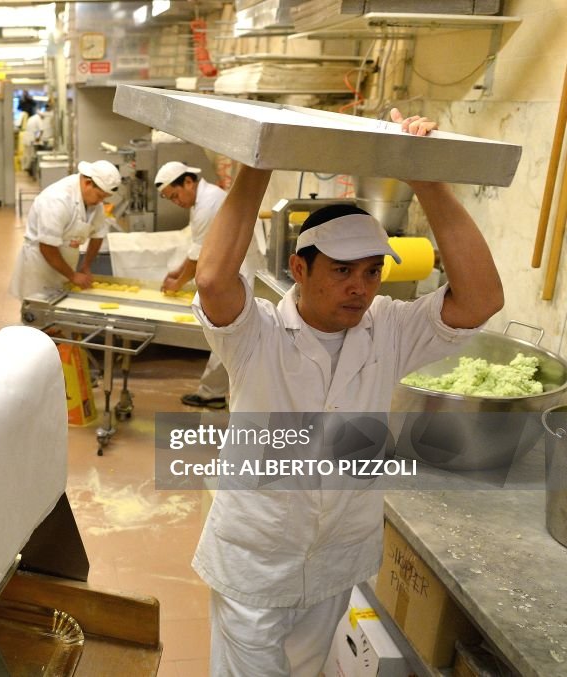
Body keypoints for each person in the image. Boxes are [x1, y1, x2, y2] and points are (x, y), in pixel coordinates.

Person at [191, 110, 503, 676]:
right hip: (258, 557)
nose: (359, 288)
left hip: (336, 554)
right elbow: (213, 280)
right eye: (341, 271)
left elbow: (481, 299)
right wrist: (260, 161)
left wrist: (427, 177)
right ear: (298, 269)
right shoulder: (256, 332)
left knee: (308, 670)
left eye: (371, 272)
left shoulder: (389, 327)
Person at [154, 161, 250, 410]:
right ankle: (215, 391)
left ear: (188, 181)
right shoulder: (202, 200)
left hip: (240, 273)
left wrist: (178, 282)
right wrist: (178, 272)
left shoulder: (207, 203)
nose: (176, 202)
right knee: (226, 335)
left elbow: (199, 257)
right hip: (230, 271)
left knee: (226, 334)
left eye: (175, 195)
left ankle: (213, 394)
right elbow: (200, 247)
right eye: (170, 199)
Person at [9, 160, 121, 300]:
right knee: (37, 310)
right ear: (87, 183)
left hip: (65, 266)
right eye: (100, 196)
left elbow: (98, 234)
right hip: (40, 268)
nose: (100, 202)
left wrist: (86, 265)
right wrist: (72, 275)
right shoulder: (56, 200)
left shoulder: (93, 200)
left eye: (104, 198)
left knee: (59, 310)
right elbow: (47, 247)